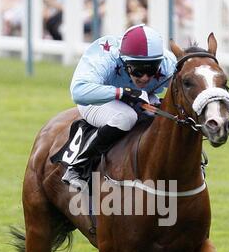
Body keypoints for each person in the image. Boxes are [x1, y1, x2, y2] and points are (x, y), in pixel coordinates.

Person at [62, 24, 177, 187]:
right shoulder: (105, 57)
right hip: (98, 100)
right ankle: (78, 166)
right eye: (138, 70)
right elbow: (78, 92)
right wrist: (121, 93)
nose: (145, 77)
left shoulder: (168, 63)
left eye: (151, 69)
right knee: (126, 117)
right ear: (124, 61)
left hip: (139, 96)